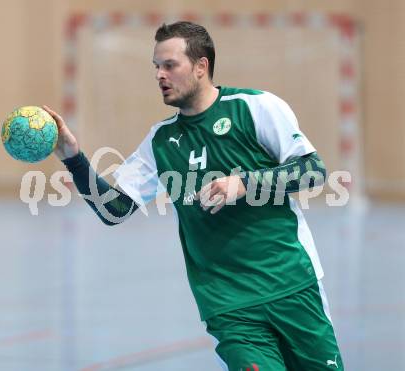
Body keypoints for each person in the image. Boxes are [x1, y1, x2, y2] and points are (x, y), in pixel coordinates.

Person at [43, 21, 344, 371]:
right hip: (228, 303)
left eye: (170, 65)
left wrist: (244, 183)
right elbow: (114, 210)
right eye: (156, 66)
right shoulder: (160, 142)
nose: (160, 75)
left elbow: (312, 170)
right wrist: (72, 157)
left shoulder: (255, 107)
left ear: (201, 66)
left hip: (292, 286)